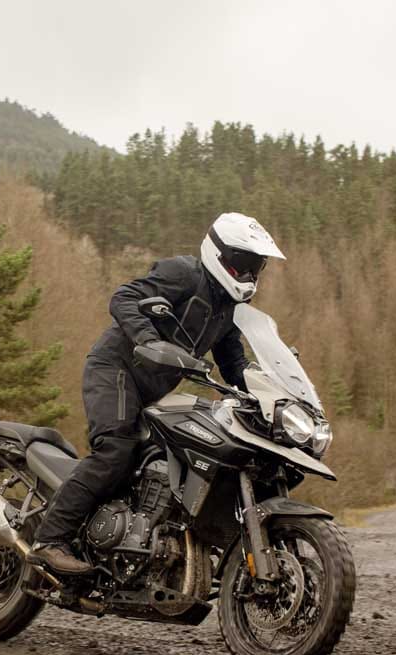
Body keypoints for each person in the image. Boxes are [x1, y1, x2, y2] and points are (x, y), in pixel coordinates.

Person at [27, 212, 287, 575]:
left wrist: (270, 394)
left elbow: (234, 364)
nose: (249, 275)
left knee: (164, 460)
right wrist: (148, 339)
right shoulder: (184, 273)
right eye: (243, 264)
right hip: (117, 369)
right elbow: (124, 297)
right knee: (116, 450)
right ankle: (49, 540)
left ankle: (131, 543)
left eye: (255, 267)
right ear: (221, 255)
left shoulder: (229, 312)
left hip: (154, 390)